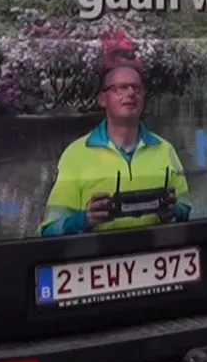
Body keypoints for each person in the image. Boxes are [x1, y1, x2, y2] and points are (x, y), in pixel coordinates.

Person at [41, 60, 191, 236]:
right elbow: (49, 230)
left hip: (154, 253)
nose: (130, 93)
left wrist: (172, 212)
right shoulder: (76, 154)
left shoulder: (166, 149)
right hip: (98, 257)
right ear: (103, 99)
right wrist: (85, 219)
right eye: (121, 88)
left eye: (137, 88)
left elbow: (186, 208)